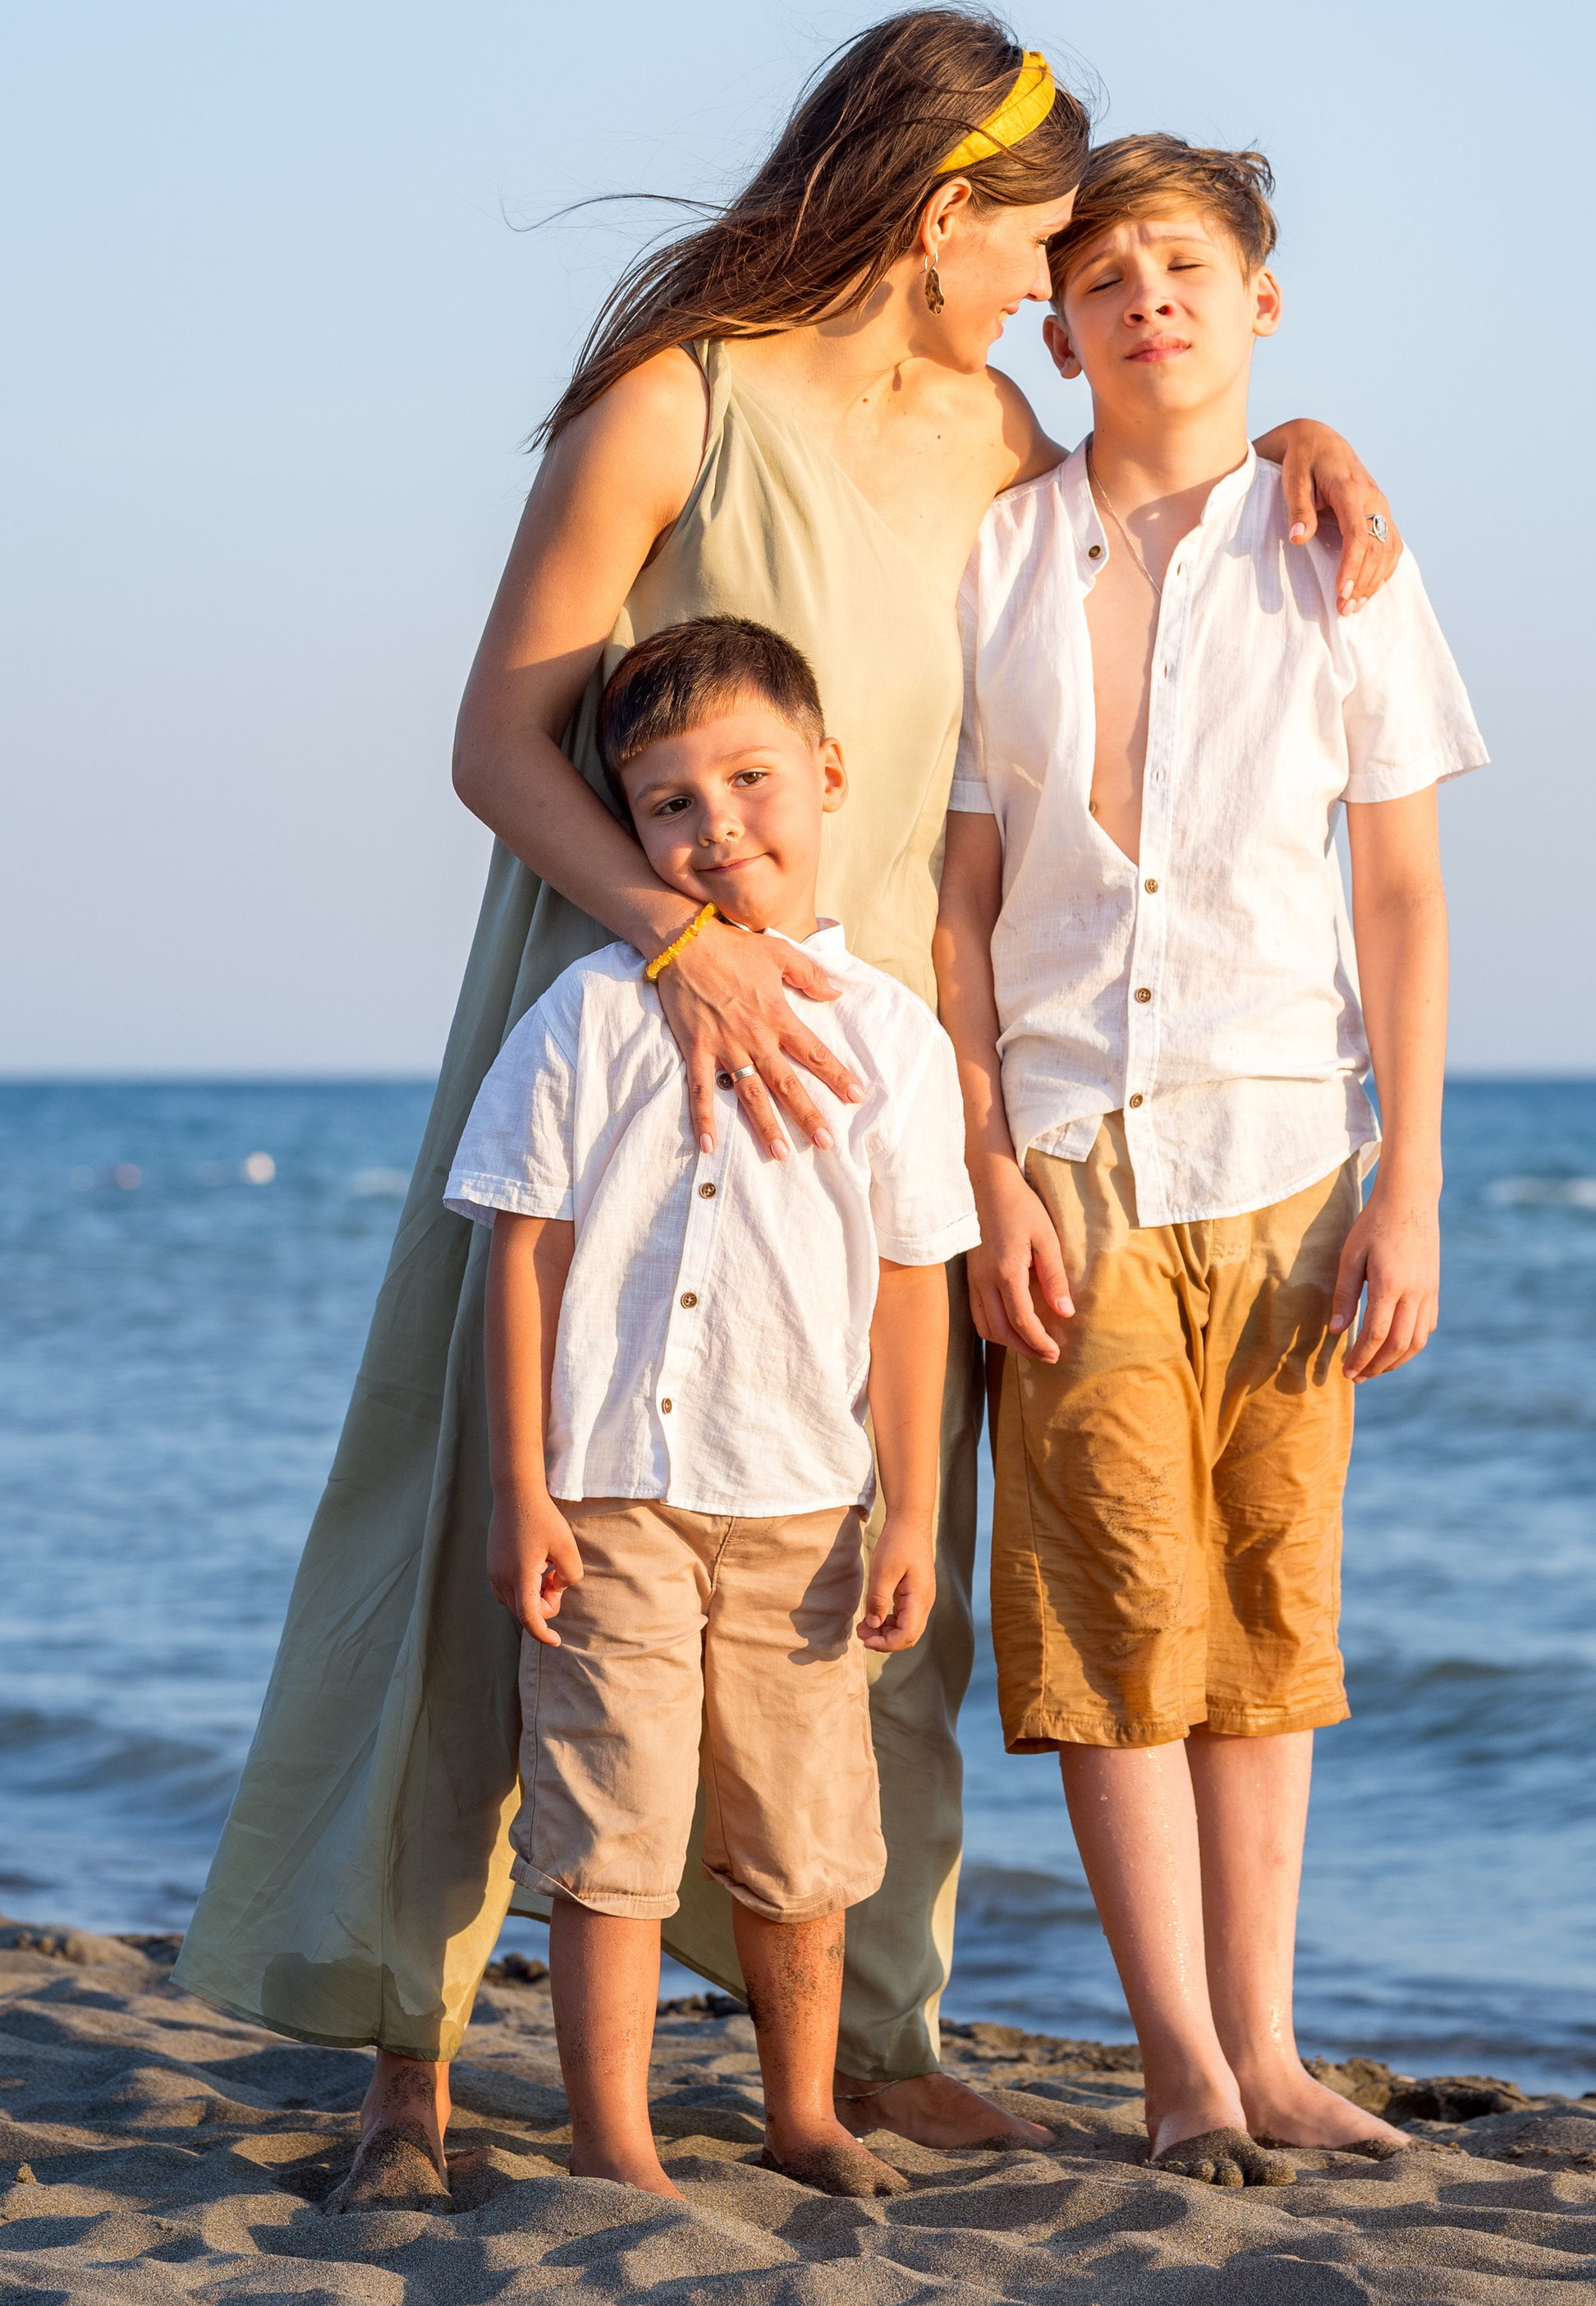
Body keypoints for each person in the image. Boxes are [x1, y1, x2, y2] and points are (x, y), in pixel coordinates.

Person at [174, 8, 1401, 2203]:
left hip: (861, 1072)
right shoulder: (680, 400)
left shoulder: (1004, 434)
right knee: (519, 1511)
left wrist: (1305, 434)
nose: (1058, 282)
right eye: (1039, 240)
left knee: (860, 1532)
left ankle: (869, 2032)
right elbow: (496, 742)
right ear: (942, 215)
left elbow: (1159, 501)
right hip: (629, 1014)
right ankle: (412, 2053)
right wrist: (681, 940)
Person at [935, 133, 1487, 2183]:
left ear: (1259, 303)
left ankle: (1269, 2050)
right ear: (1062, 328)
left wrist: (1407, 1185)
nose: (1144, 294)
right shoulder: (998, 552)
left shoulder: (1339, 548)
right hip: (1071, 1143)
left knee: (1267, 1624)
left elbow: (1404, 900)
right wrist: (984, 1167)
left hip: (1281, 1149)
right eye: (1102, 274)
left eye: (1184, 263)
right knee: (1108, 1629)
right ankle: (1174, 2064)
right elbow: (959, 905)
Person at [461, 614, 967, 2201]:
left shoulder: (893, 1037)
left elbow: (909, 1285)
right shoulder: (590, 1015)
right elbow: (520, 1259)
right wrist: (521, 1489)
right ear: (629, 830)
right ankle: (614, 2139)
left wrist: (917, 1509)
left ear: (826, 778)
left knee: (803, 1837)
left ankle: (806, 2114)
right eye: (669, 802)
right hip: (611, 1492)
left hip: (804, 1500)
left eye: (749, 780)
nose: (716, 824)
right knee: (608, 1829)